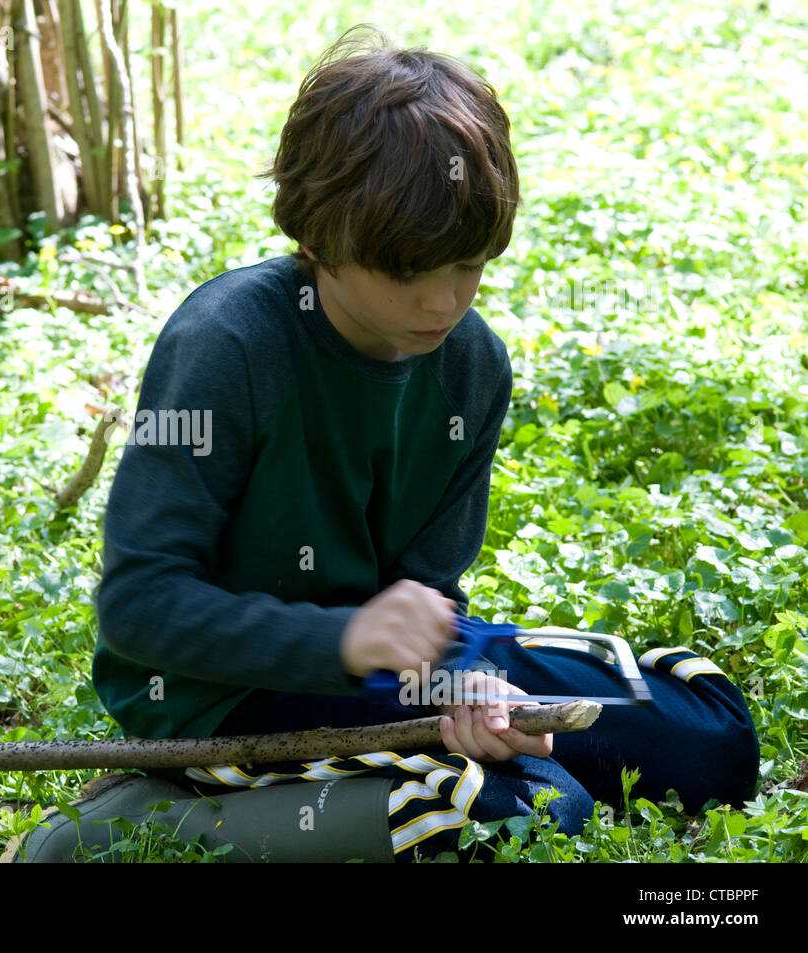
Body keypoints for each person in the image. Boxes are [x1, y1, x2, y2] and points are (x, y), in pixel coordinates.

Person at [41, 25, 759, 863]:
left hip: (384, 669)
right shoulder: (227, 344)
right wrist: (344, 644)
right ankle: (135, 826)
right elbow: (137, 609)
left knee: (710, 741)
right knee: (525, 810)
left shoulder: (473, 362)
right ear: (317, 239)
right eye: (408, 273)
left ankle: (404, 761)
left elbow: (426, 593)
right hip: (226, 692)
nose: (445, 302)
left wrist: (461, 687)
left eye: (470, 265)